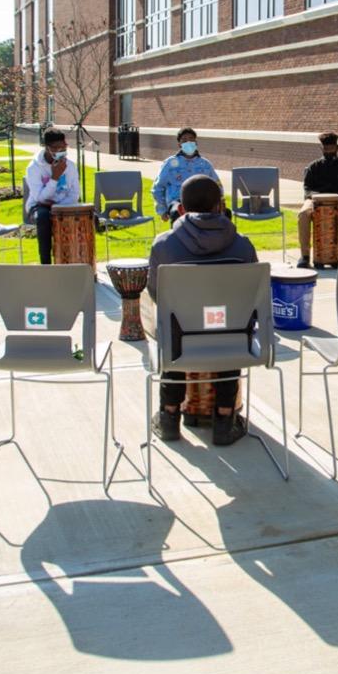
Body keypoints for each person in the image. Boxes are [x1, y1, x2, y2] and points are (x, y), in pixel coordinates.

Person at [147, 175, 258, 447]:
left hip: (182, 341)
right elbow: (254, 296)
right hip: (230, 339)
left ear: (181, 209)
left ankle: (169, 416)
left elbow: (155, 293)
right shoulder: (243, 245)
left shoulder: (163, 244)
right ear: (220, 206)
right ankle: (224, 418)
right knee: (232, 322)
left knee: (171, 323)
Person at [296, 131, 338, 268]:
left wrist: (334, 199)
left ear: (337, 148)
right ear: (321, 149)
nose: (328, 151)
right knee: (303, 215)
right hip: (315, 201)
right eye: (326, 148)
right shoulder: (313, 167)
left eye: (331, 148)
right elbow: (307, 189)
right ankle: (304, 256)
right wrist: (318, 198)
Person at [23, 126, 81, 264]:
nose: (61, 151)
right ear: (47, 147)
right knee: (43, 216)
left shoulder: (70, 166)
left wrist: (58, 206)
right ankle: (46, 264)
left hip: (63, 204)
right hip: (38, 207)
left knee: (89, 215)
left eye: (64, 147)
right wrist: (55, 178)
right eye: (56, 148)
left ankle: (75, 261)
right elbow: (39, 198)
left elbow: (75, 194)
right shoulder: (34, 168)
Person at [151, 128, 220, 223]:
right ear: (179, 144)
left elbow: (217, 185)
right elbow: (158, 188)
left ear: (196, 142)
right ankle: (179, 237)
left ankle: (216, 237)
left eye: (191, 139)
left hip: (202, 201)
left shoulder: (205, 164)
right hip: (178, 201)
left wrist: (219, 201)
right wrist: (162, 210)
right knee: (176, 212)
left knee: (224, 212)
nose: (188, 142)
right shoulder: (170, 164)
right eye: (184, 140)